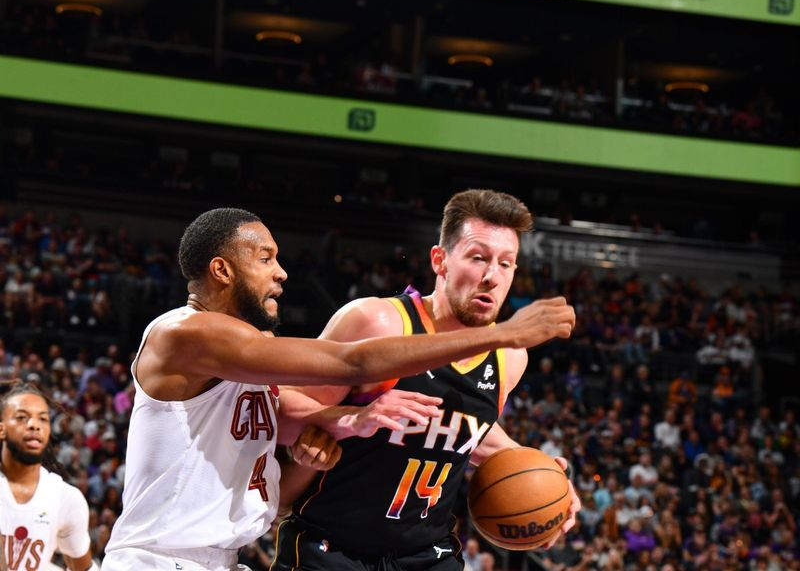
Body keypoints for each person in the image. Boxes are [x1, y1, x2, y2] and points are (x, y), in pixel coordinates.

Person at [101, 207, 575, 571]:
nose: (282, 272)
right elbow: (352, 363)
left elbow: (286, 472)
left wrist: (338, 421)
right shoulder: (188, 335)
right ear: (222, 271)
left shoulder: (251, 356)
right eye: (266, 259)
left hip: (224, 558)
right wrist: (504, 332)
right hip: (157, 559)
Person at [273, 190, 581, 570]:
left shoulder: (510, 359)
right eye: (478, 258)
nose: (491, 276)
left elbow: (469, 428)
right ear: (440, 260)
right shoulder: (378, 322)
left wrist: (548, 478)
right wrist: (349, 419)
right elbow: (283, 414)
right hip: (332, 547)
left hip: (425, 555)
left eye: (506, 264)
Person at [0, 382, 95, 571]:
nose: (34, 425)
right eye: (21, 417)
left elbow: (83, 568)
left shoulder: (66, 498)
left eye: (43, 419)